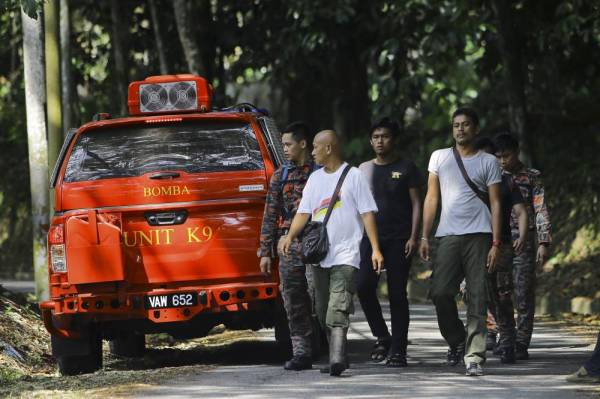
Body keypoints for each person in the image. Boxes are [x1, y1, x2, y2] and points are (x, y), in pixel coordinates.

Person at [279, 129, 384, 377]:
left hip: (347, 254)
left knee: (338, 304)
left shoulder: (354, 176)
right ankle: (337, 354)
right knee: (324, 306)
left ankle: (337, 358)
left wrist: (375, 249)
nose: (312, 151)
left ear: (329, 148)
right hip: (320, 254)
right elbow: (304, 212)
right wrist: (290, 235)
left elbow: (368, 213)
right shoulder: (315, 180)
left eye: (316, 147)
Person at [419, 107, 502, 377]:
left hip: (480, 235)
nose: (460, 129)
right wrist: (423, 235)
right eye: (456, 125)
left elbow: (496, 203)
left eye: (466, 125)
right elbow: (431, 198)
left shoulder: (488, 161)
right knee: (441, 292)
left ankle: (474, 356)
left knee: (477, 296)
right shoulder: (439, 157)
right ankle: (457, 340)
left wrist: (496, 243)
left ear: (475, 129)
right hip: (448, 235)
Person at [357, 117, 423, 367]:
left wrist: (414, 237)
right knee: (363, 286)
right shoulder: (363, 169)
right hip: (369, 237)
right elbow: (357, 206)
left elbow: (417, 203)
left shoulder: (407, 168)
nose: (380, 141)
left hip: (400, 239)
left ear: (393, 139)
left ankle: (398, 349)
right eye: (375, 137)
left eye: (384, 136)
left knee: (397, 293)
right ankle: (382, 336)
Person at [257, 121, 317, 371]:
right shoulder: (280, 176)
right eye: (282, 144)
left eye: (288, 144)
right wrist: (265, 252)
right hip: (288, 245)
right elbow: (270, 215)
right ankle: (301, 351)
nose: (285, 149)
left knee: (321, 298)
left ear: (303, 144)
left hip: (318, 241)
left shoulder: (321, 173)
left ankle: (332, 343)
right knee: (292, 297)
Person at [494, 133, 552, 360]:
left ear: (516, 152)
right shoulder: (493, 176)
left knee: (523, 292)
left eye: (506, 156)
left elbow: (540, 208)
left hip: (523, 241)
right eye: (498, 157)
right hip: (499, 241)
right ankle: (503, 336)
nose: (502, 161)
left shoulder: (531, 177)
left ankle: (521, 341)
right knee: (500, 291)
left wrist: (543, 241)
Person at [475, 136, 528, 364]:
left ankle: (507, 339)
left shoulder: (507, 181)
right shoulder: (472, 180)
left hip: (503, 244)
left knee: (503, 293)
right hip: (474, 243)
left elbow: (522, 211)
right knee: (477, 292)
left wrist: (523, 236)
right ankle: (482, 336)